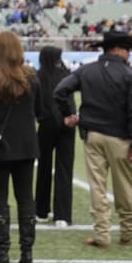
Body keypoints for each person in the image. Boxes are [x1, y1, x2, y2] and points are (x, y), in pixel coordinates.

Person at [53, 31, 132, 249]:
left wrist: (68, 114)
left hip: (93, 135)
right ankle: (127, 233)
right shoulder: (128, 74)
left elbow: (60, 91)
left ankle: (102, 235)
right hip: (120, 138)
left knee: (97, 187)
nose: (128, 53)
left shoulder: (86, 70)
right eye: (127, 49)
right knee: (125, 187)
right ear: (117, 49)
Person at [0, 31, 41, 263]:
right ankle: (27, 253)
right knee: (26, 199)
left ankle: (1, 253)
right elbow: (40, 110)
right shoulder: (31, 77)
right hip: (26, 146)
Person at [35, 46, 76, 227]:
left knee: (44, 167)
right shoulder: (66, 75)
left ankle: (41, 211)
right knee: (64, 169)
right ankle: (62, 215)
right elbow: (68, 99)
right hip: (66, 124)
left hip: (46, 124)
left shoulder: (37, 76)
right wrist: (68, 116)